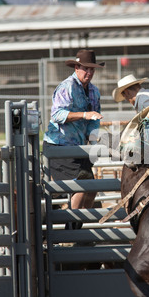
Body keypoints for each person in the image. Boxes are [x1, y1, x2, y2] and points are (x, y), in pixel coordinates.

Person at [43, 49, 104, 212]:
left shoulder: (94, 92)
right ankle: (71, 230)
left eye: (92, 69)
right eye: (86, 68)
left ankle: (77, 230)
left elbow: (94, 120)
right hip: (59, 145)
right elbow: (57, 115)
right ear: (76, 68)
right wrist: (85, 115)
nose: (89, 72)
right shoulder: (66, 87)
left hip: (78, 148)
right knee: (81, 185)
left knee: (90, 188)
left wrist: (92, 141)